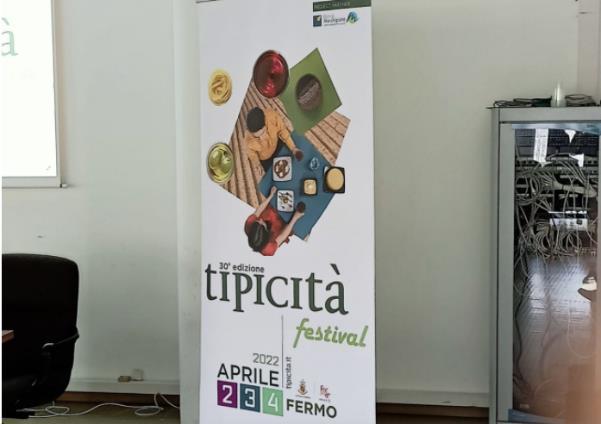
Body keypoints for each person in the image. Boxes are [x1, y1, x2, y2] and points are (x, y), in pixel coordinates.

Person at [245, 186, 305, 256]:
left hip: (268, 215)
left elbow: (258, 211)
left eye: (257, 221)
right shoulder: (269, 249)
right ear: (266, 233)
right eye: (262, 224)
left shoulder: (249, 224)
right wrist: (295, 217)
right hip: (277, 231)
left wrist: (271, 195)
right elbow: (282, 236)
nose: (260, 219)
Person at [245, 107, 303, 172]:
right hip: (265, 159)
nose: (262, 138)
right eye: (257, 137)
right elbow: (252, 154)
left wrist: (293, 148)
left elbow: (282, 131)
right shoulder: (248, 140)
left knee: (293, 164)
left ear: (265, 122)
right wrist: (258, 164)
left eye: (263, 133)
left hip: (277, 145)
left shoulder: (272, 116)